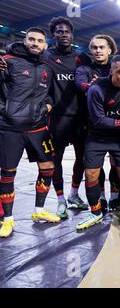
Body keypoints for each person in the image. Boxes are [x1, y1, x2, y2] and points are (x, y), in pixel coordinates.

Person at [0, 27, 60, 238]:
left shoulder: (47, 67)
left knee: (48, 168)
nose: (35, 43)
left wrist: (49, 106)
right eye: (32, 39)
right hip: (10, 128)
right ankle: (7, 220)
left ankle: (39, 211)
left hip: (38, 128)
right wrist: (5, 111)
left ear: (45, 44)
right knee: (8, 173)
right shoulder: (7, 61)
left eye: (40, 41)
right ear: (25, 40)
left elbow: (52, 94)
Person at [75, 55, 120, 231]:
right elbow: (99, 121)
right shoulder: (97, 89)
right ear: (111, 71)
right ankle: (95, 212)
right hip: (97, 137)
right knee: (91, 174)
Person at [44, 17, 89, 219]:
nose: (63, 35)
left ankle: (74, 194)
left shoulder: (81, 58)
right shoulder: (46, 56)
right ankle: (61, 201)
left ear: (72, 34)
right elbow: (23, 52)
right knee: (57, 160)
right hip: (58, 118)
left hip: (80, 117)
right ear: (53, 35)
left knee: (81, 159)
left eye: (67, 32)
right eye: (59, 32)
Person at [75, 34, 117, 213]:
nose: (98, 50)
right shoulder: (84, 68)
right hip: (92, 125)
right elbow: (80, 84)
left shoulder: (116, 67)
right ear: (91, 50)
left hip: (115, 124)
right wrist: (93, 86)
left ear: (110, 50)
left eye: (102, 47)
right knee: (95, 166)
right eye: (94, 48)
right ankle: (100, 197)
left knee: (116, 164)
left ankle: (115, 197)